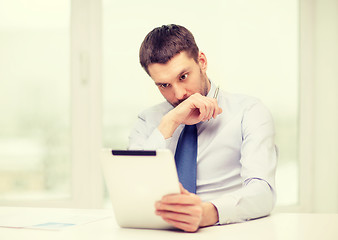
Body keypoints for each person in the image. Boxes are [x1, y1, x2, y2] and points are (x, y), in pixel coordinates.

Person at [128, 24, 277, 232]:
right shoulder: (149, 121)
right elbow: (133, 190)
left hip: (225, 229)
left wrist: (206, 213)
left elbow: (263, 193)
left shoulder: (249, 112)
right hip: (160, 233)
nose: (178, 94)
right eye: (164, 85)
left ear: (202, 62)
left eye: (183, 76)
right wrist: (171, 122)